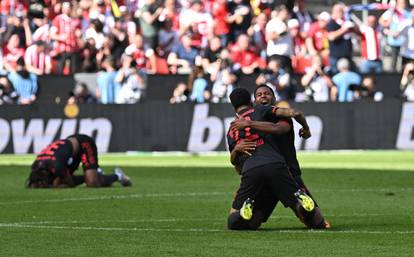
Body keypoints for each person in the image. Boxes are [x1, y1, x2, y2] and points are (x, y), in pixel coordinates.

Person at [230, 84, 331, 229]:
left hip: (285, 172)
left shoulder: (276, 119)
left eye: (267, 93)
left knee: (239, 220)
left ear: (274, 97)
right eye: (259, 94)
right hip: (277, 172)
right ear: (253, 101)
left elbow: (280, 128)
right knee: (315, 221)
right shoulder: (252, 119)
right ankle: (302, 204)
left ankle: (247, 207)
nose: (263, 96)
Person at [27, 134, 132, 188]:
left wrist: (55, 185)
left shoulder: (56, 166)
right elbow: (34, 182)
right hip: (69, 150)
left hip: (83, 143)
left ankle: (117, 176)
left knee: (92, 182)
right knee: (58, 181)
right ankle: (97, 173)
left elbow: (69, 183)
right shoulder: (36, 166)